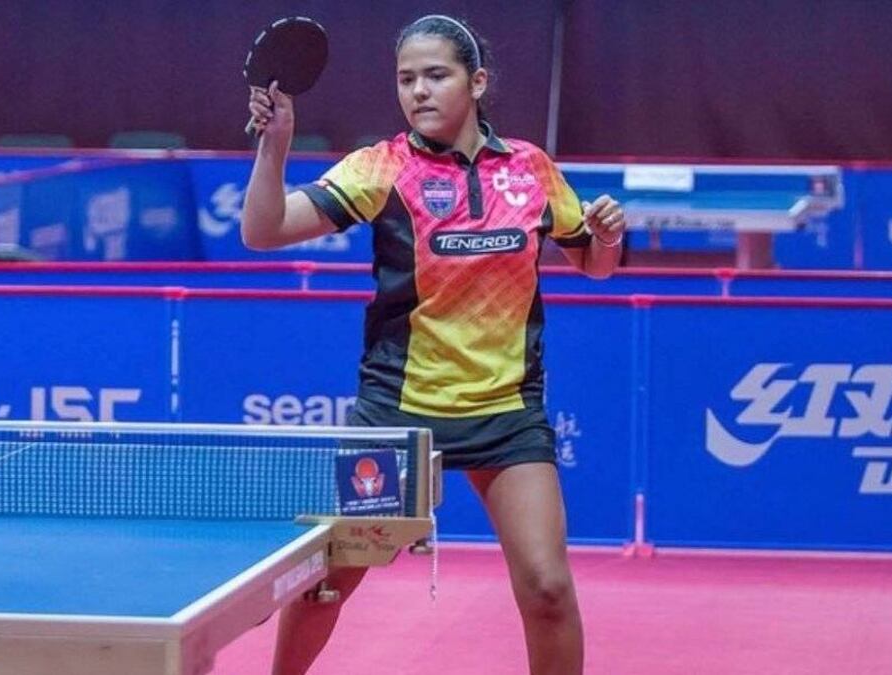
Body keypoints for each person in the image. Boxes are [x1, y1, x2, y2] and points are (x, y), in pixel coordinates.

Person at [241, 13, 624, 675]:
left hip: (506, 414)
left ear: (477, 82)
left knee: (548, 589)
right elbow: (264, 229)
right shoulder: (381, 166)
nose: (418, 90)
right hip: (397, 415)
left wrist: (608, 235)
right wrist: (275, 145)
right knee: (329, 582)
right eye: (406, 79)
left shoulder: (530, 168)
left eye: (436, 75)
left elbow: (594, 262)